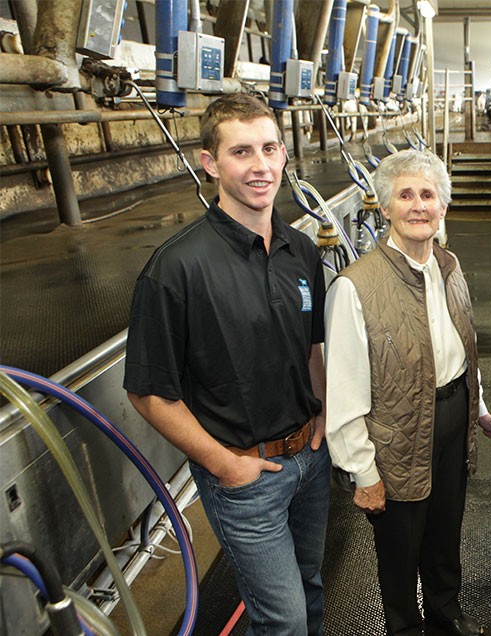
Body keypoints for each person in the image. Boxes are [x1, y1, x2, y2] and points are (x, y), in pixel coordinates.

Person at [124, 93, 330, 636]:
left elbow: (312, 347)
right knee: (281, 619)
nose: (260, 166)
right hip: (244, 474)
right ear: (210, 162)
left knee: (309, 586)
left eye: (269, 149)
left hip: (309, 459)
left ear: (285, 154)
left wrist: (324, 415)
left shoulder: (301, 252)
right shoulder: (176, 268)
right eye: (241, 152)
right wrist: (223, 465)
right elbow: (148, 392)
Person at [323, 149, 491, 636]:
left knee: (445, 532)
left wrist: (478, 409)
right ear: (385, 207)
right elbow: (343, 389)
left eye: (428, 194)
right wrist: (363, 472)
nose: (418, 205)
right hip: (395, 434)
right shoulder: (355, 287)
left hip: (452, 415)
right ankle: (404, 627)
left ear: (442, 205)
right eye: (405, 195)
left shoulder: (448, 266)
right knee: (400, 548)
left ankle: (447, 614)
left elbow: (464, 348)